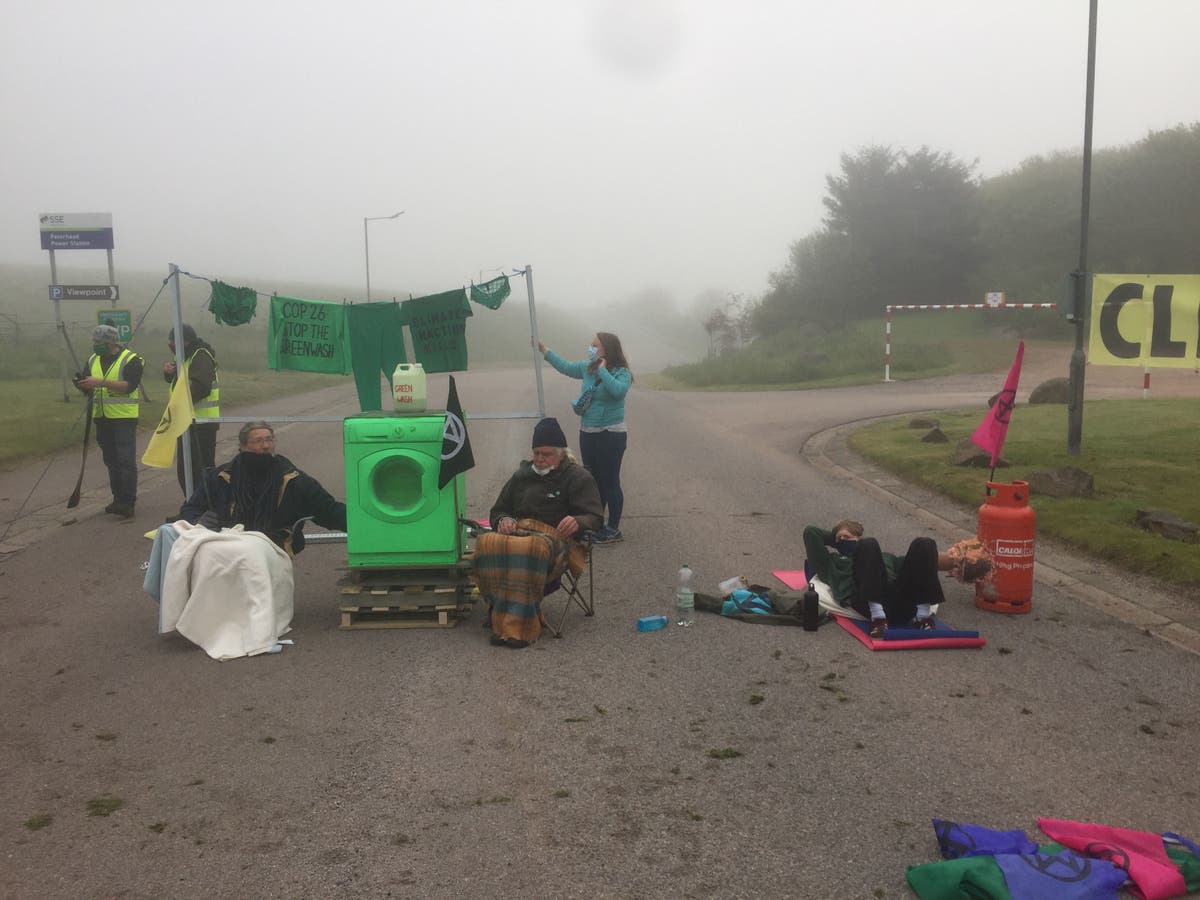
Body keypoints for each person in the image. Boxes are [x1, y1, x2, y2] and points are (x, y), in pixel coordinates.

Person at [474, 417, 603, 648]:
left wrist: (577, 521)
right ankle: (501, 614)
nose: (540, 460)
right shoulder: (521, 476)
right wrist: (503, 520)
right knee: (486, 542)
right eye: (536, 453)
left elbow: (594, 516)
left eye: (546, 454)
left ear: (561, 454)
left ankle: (521, 628)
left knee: (530, 549)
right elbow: (499, 509)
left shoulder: (578, 477)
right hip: (520, 533)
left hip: (557, 541)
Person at [176, 421, 346, 556]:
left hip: (273, 547)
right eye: (258, 441)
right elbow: (189, 510)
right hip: (224, 547)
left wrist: (365, 523)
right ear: (242, 446)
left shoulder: (294, 479)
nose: (266, 446)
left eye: (269, 440)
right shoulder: (218, 477)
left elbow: (328, 511)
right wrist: (199, 521)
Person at [802, 519, 991, 638]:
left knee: (924, 544)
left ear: (858, 538)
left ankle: (923, 617)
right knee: (869, 545)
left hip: (901, 603)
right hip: (865, 601)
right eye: (838, 539)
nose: (842, 540)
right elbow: (811, 532)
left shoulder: (884, 557)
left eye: (847, 537)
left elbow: (921, 564)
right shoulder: (831, 563)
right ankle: (878, 620)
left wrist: (960, 562)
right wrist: (840, 540)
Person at [536, 332, 632, 544]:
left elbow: (618, 392)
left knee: (610, 482)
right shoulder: (586, 368)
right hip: (588, 433)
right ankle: (596, 525)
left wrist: (603, 371)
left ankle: (613, 528)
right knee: (593, 482)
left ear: (607, 348)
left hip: (611, 434)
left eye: (595, 345)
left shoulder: (622, 372)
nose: (590, 348)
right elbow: (565, 366)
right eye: (590, 345)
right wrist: (544, 350)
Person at [73, 324, 145, 518]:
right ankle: (117, 499)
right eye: (94, 341)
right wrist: (83, 384)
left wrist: (100, 382)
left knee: (125, 460)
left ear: (111, 342)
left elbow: (128, 386)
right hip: (101, 417)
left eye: (99, 342)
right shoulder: (92, 359)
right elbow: (90, 384)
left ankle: (128, 502)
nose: (95, 345)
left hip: (124, 417)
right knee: (111, 460)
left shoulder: (131, 359)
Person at [163, 324, 220, 495]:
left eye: (173, 342)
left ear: (184, 342)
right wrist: (169, 374)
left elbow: (201, 387)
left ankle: (203, 508)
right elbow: (182, 383)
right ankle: (192, 506)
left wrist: (178, 404)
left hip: (201, 424)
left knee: (200, 470)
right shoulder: (186, 357)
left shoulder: (200, 356)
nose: (170, 346)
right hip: (188, 422)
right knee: (188, 471)